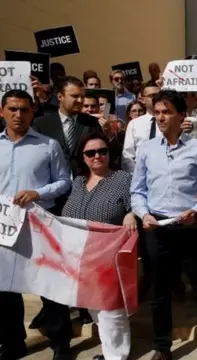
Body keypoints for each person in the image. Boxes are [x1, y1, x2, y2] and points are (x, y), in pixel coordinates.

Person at [130, 90, 197, 360]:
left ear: (182, 115)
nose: (160, 117)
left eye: (166, 112)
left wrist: (195, 210)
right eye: (157, 112)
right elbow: (137, 190)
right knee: (159, 293)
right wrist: (143, 214)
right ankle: (162, 347)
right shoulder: (146, 150)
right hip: (157, 229)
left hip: (190, 230)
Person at [0, 90, 72, 360]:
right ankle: (12, 343)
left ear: (33, 112)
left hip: (39, 225)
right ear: (2, 112)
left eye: (24, 110)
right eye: (13, 109)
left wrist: (38, 192)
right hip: (4, 228)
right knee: (5, 289)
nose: (19, 115)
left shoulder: (48, 145)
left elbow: (64, 181)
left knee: (48, 285)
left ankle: (60, 342)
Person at [61, 133, 136, 360]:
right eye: (90, 153)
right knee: (94, 306)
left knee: (110, 308)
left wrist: (131, 214)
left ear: (110, 154)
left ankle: (116, 356)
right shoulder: (77, 182)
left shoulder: (123, 179)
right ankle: (110, 351)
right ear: (82, 157)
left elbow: (138, 203)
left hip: (109, 256)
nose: (97, 156)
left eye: (102, 151)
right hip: (80, 256)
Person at [32, 76, 103, 178]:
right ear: (60, 96)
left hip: (84, 184)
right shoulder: (41, 124)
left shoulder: (91, 123)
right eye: (75, 96)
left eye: (82, 96)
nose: (80, 100)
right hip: (51, 185)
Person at [121, 82, 160, 173]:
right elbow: (128, 155)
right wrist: (136, 176)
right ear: (143, 99)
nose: (156, 98)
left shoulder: (169, 121)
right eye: (152, 95)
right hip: (140, 175)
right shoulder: (134, 124)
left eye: (158, 95)